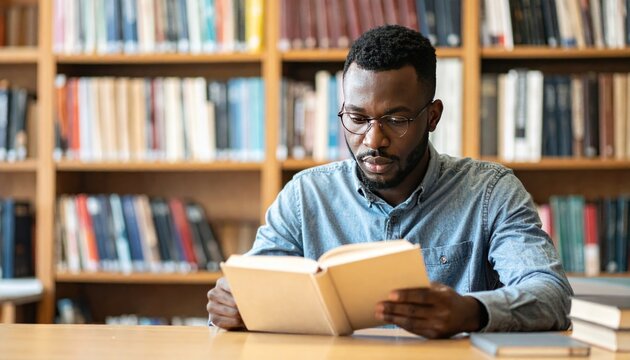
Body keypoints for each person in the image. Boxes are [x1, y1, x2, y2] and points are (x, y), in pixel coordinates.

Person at [207, 25, 572, 339]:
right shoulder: (306, 196)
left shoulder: (491, 193)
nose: (373, 140)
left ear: (432, 116)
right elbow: (252, 287)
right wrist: (235, 303)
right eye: (357, 117)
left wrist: (471, 311)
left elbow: (552, 294)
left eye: (395, 120)